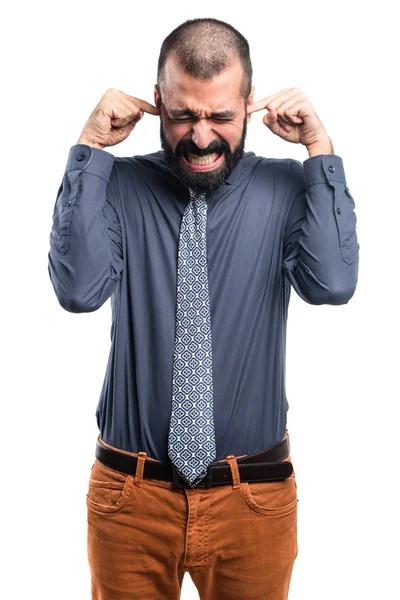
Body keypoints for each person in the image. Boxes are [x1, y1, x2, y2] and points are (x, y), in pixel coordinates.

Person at [47, 17, 359, 600]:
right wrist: (88, 152)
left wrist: (321, 151)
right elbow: (78, 290)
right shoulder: (115, 184)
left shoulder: (289, 187)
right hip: (130, 498)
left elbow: (332, 284)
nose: (201, 136)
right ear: (157, 99)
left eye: (220, 116)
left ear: (249, 104)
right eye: (184, 114)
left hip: (254, 497)